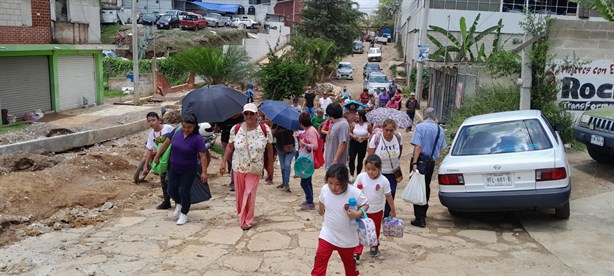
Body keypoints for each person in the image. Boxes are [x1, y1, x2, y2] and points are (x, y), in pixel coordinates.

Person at [219, 103, 274, 230]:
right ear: (243, 114)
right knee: (240, 193)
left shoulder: (264, 129)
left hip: (254, 168)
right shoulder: (236, 129)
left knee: (249, 193)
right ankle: (241, 214)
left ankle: (247, 219)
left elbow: (270, 147)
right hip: (238, 166)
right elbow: (230, 146)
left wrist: (270, 165)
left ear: (256, 114)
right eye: (246, 113)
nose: (249, 116)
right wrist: (223, 162)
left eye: (252, 113)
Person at [312, 164, 368, 276]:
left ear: (345, 182)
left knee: (350, 266)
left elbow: (365, 204)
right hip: (328, 234)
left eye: (338, 184)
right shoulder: (325, 189)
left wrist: (357, 213)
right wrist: (321, 209)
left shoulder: (354, 192)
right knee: (320, 260)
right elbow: (321, 201)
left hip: (347, 238)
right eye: (330, 183)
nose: (333, 187)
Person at [153, 114, 208, 225]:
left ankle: (184, 213)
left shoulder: (198, 139)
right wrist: (157, 156)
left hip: (188, 170)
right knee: (171, 190)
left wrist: (204, 172)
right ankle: (179, 203)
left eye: (189, 127)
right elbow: (166, 143)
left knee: (184, 191)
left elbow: (203, 156)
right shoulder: (176, 132)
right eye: (184, 127)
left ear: (194, 127)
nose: (186, 129)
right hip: (173, 167)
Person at [353, 155, 396, 259]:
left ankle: (374, 245)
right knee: (361, 230)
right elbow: (354, 191)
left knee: (375, 229)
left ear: (379, 169)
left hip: (377, 210)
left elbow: (388, 196)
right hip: (362, 210)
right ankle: (357, 252)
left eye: (374, 169)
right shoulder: (361, 177)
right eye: (368, 169)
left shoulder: (384, 181)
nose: (370, 172)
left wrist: (392, 210)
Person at [409, 107, 446, 228]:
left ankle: (419, 218)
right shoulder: (440, 130)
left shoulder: (420, 127)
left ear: (424, 116)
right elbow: (441, 149)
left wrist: (414, 162)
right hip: (430, 162)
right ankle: (423, 213)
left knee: (417, 186)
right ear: (434, 116)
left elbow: (417, 147)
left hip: (419, 161)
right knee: (426, 186)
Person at [367, 119, 402, 218]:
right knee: (376, 193)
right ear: (382, 128)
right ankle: (372, 212)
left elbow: (400, 151)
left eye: (391, 130)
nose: (389, 132)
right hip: (378, 172)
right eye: (386, 130)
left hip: (392, 171)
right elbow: (370, 156)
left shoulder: (398, 137)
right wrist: (370, 172)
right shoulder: (376, 138)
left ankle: (387, 214)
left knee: (391, 192)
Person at [143, 112, 174, 209]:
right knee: (164, 181)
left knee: (172, 180)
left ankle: (179, 201)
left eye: (153, 120)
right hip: (162, 159)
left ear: (158, 120)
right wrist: (145, 165)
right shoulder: (151, 135)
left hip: (173, 157)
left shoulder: (168, 128)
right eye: (149, 121)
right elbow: (149, 149)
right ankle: (167, 201)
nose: (151, 123)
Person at [214, 113, 244, 191]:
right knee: (233, 161)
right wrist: (216, 128)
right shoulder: (224, 118)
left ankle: (234, 181)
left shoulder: (243, 118)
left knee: (235, 161)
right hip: (226, 141)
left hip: (239, 142)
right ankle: (236, 180)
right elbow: (218, 129)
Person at [297, 112, 319, 210]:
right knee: (307, 180)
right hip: (306, 159)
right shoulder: (309, 130)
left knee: (304, 182)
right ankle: (309, 199)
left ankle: (310, 201)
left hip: (307, 160)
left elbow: (315, 145)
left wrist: (303, 143)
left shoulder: (310, 131)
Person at [324, 103, 350, 169]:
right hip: (331, 160)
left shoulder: (343, 125)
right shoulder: (335, 123)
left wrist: (335, 160)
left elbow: (342, 143)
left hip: (336, 163)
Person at [348, 110, 372, 182]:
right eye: (356, 115)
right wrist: (353, 136)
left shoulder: (368, 125)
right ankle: (351, 174)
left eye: (358, 115)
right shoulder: (353, 124)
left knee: (360, 159)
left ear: (362, 116)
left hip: (362, 143)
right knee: (352, 158)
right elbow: (349, 132)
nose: (356, 116)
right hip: (354, 142)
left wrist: (365, 138)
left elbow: (371, 133)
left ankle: (358, 174)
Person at [273, 123, 295, 192]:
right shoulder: (276, 124)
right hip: (280, 148)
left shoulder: (290, 124)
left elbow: (295, 133)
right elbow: (273, 135)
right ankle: (284, 182)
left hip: (290, 148)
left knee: (287, 165)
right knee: (283, 166)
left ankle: (286, 183)